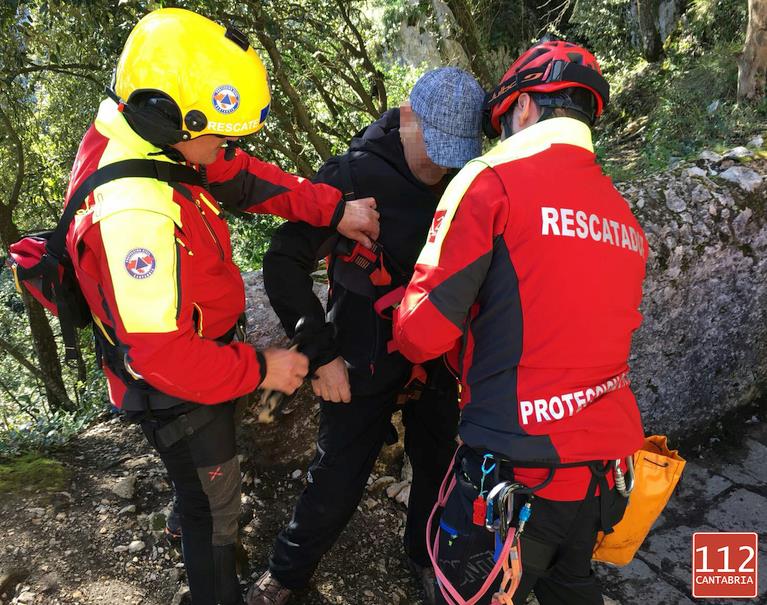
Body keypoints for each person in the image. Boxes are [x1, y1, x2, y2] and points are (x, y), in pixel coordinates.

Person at [63, 8, 379, 605]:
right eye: (217, 133)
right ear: (164, 114)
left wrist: (334, 210)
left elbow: (240, 178)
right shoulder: (134, 212)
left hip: (199, 363)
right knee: (215, 510)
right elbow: (162, 356)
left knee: (200, 498)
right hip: (179, 392)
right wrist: (263, 367)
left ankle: (191, 517)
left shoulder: (152, 140)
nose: (224, 147)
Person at [392, 39, 647, 605]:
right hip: (603, 476)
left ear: (524, 107)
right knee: (573, 588)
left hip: (514, 478)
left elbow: (422, 334)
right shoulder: (620, 211)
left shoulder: (490, 180)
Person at [249, 67, 486, 605]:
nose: (443, 163)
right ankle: (287, 574)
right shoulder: (350, 176)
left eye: (457, 151)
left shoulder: (465, 178)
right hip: (359, 358)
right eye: (437, 146)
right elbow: (283, 263)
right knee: (336, 479)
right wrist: (319, 351)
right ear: (406, 117)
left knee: (440, 466)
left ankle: (425, 558)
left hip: (439, 357)